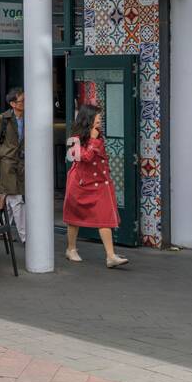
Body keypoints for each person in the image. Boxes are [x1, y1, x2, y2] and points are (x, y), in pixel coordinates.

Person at [63, 104, 128, 268]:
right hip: (80, 183)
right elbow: (83, 157)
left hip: (100, 183)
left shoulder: (97, 135)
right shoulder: (75, 138)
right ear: (88, 118)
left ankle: (111, 256)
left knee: (105, 217)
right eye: (98, 116)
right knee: (74, 218)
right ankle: (71, 249)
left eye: (100, 116)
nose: (100, 118)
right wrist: (92, 139)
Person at [0, 87, 26, 241]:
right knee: (16, 199)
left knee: (10, 199)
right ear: (13, 104)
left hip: (23, 163)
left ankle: (4, 230)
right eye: (22, 101)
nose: (25, 103)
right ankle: (25, 236)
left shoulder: (29, 117)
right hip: (8, 164)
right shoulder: (3, 119)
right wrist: (4, 154)